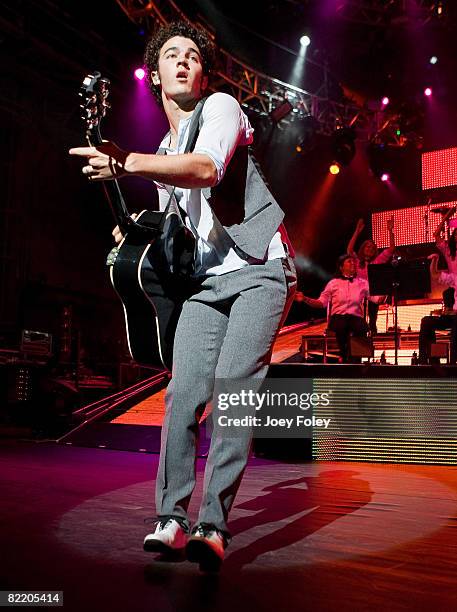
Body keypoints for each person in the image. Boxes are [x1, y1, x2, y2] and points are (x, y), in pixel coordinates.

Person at [69, 21, 296, 571]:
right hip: (208, 282)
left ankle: (213, 525)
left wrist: (127, 162)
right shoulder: (165, 148)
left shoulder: (219, 108)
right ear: (157, 77)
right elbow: (179, 223)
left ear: (202, 73)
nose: (182, 61)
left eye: (192, 56)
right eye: (171, 54)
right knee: (182, 396)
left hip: (261, 270)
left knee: (235, 394)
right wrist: (132, 233)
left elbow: (206, 170)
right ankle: (170, 518)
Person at [296, 254, 382, 362]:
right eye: (349, 262)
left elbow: (377, 299)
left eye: (354, 262)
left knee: (361, 328)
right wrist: (305, 299)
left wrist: (387, 288)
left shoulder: (363, 283)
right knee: (342, 326)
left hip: (356, 319)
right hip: (339, 319)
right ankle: (344, 355)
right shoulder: (333, 284)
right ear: (341, 267)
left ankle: (356, 359)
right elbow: (321, 303)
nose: (353, 263)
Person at [347, 216, 395, 335]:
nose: (370, 248)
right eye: (368, 246)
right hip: (359, 293)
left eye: (372, 247)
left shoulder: (378, 260)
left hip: (372, 293)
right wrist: (357, 232)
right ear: (363, 249)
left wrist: (390, 230)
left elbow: (392, 248)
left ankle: (372, 329)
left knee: (374, 300)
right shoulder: (357, 261)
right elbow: (349, 250)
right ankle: (360, 331)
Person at [418, 254, 457, 365]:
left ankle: (453, 363)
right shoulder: (455, 278)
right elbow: (435, 274)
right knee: (426, 321)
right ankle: (428, 360)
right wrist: (435, 260)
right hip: (451, 317)